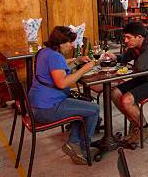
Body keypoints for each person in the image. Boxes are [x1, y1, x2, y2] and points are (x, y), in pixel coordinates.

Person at [29, 26, 99, 165]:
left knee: (81, 106)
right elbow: (62, 83)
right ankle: (82, 148)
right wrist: (85, 69)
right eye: (70, 42)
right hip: (47, 108)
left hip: (36, 105)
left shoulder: (44, 52)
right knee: (94, 109)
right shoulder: (55, 57)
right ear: (61, 43)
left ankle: (74, 143)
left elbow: (58, 69)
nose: (73, 45)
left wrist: (77, 61)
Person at [106, 22, 148, 144]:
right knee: (115, 93)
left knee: (126, 100)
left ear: (139, 37)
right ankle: (136, 123)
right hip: (147, 78)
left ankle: (145, 128)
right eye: (125, 37)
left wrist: (133, 56)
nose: (126, 41)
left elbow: (141, 66)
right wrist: (116, 58)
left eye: (128, 37)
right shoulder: (137, 43)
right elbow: (125, 57)